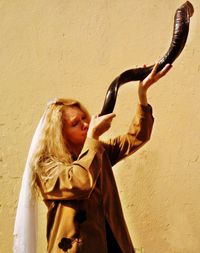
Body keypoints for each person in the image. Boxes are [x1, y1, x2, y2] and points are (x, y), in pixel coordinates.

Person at [13, 63, 172, 253]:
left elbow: (136, 137)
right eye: (75, 123)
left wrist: (142, 95)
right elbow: (80, 182)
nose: (85, 123)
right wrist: (93, 138)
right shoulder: (46, 167)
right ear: (60, 134)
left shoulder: (97, 151)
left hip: (112, 245)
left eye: (84, 118)